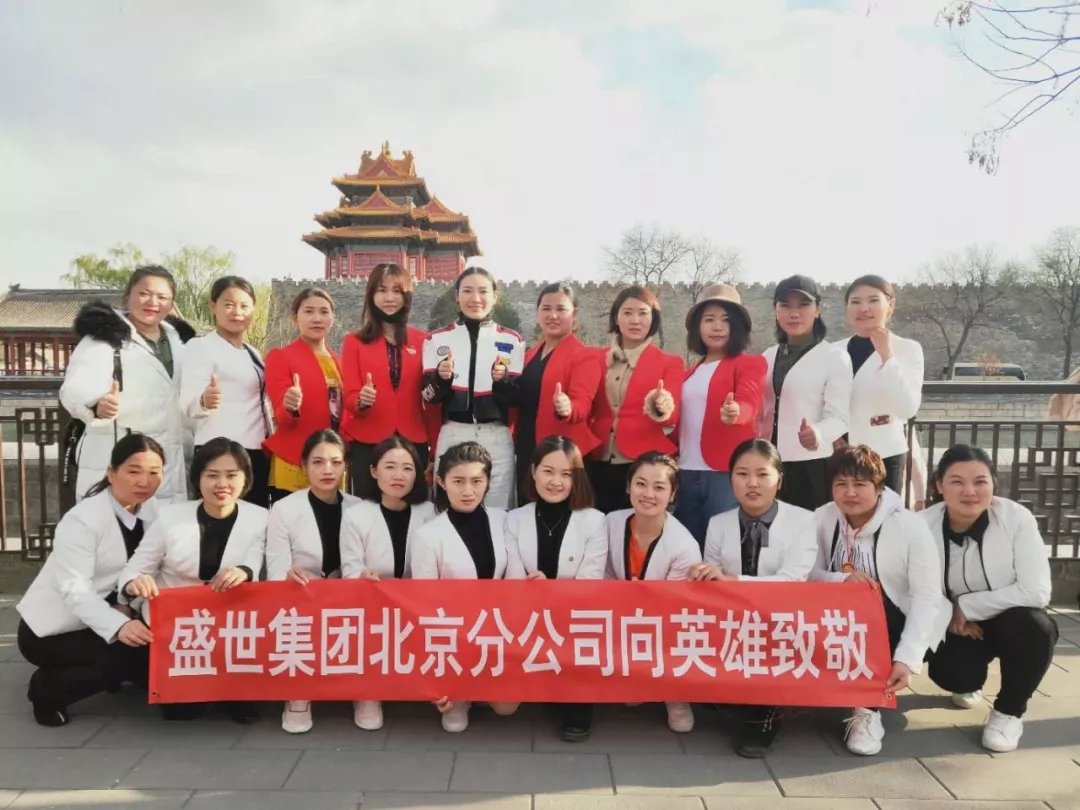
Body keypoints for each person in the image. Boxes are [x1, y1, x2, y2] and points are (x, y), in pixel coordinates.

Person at [810, 445, 951, 756]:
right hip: (841, 619)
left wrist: (907, 657)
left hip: (898, 620)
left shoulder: (908, 525)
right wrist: (841, 579)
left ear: (879, 487)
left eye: (860, 484)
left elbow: (926, 595)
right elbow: (806, 572)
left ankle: (867, 710)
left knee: (869, 603)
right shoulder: (823, 517)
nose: (850, 493)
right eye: (841, 484)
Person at [16, 434, 164, 727]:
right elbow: (75, 589)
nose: (144, 481)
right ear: (112, 473)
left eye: (154, 472)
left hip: (110, 613)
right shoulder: (82, 519)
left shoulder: (152, 510)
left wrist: (126, 606)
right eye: (134, 471)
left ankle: (115, 669)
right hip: (53, 630)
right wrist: (119, 624)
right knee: (124, 658)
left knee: (153, 656)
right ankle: (46, 691)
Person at [120, 438, 268, 723]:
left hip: (231, 624)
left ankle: (230, 692)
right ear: (198, 479)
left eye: (231, 475)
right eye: (212, 475)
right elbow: (134, 569)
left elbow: (256, 558)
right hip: (177, 624)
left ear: (246, 479)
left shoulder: (259, 517)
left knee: (241, 704)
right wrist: (134, 583)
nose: (222, 484)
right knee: (181, 713)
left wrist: (245, 571)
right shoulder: (170, 518)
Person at [922, 444, 1057, 753]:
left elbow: (1037, 591)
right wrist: (948, 615)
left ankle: (1009, 712)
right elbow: (906, 587)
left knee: (1037, 626)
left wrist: (967, 606)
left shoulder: (1016, 518)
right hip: (954, 625)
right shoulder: (920, 526)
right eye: (957, 481)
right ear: (939, 485)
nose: (970, 491)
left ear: (993, 483)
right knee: (954, 675)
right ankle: (970, 682)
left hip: (1010, 619)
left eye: (980, 481)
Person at [689, 438, 817, 757]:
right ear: (730, 478)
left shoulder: (804, 521)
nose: (752, 483)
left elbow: (792, 581)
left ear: (779, 480)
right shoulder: (718, 523)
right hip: (735, 621)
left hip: (783, 621)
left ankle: (766, 713)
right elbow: (712, 581)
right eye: (742, 474)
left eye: (762, 474)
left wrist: (732, 581)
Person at [60, 266, 196, 503]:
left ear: (172, 303)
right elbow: (75, 387)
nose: (153, 302)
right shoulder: (104, 339)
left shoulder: (180, 341)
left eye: (162, 297)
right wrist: (97, 403)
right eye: (144, 293)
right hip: (121, 453)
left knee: (166, 523)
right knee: (120, 521)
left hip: (171, 457)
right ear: (127, 296)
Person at [409, 441, 518, 732]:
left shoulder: (505, 520)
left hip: (496, 627)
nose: (468, 491)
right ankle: (460, 690)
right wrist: (436, 675)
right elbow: (424, 604)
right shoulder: (427, 536)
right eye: (458, 481)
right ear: (442, 482)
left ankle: (480, 686)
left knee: (507, 706)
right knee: (454, 724)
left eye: (476, 481)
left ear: (488, 483)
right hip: (453, 632)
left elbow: (513, 580)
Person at [505, 436, 607, 742]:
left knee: (585, 625)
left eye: (566, 474)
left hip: (575, 615)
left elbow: (589, 582)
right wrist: (532, 591)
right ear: (533, 471)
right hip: (528, 613)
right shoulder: (514, 519)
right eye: (548, 471)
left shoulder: (594, 521)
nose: (556, 482)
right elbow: (513, 578)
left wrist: (550, 591)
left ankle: (579, 699)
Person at [264, 429, 361, 734]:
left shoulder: (359, 507)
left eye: (335, 462)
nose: (327, 470)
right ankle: (298, 691)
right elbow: (276, 566)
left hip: (346, 595)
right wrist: (288, 575)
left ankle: (365, 690)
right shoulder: (284, 509)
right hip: (302, 596)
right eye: (318, 462)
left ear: (345, 465)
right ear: (303, 466)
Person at [340, 435, 436, 731]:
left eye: (407, 468)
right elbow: (350, 568)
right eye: (390, 467)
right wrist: (362, 576)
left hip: (416, 604)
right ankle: (368, 692)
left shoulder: (429, 512)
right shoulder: (356, 516)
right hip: (373, 603)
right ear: (373, 471)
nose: (399, 475)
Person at [605, 452, 701, 733]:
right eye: (640, 484)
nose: (648, 494)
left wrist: (637, 597)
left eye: (659, 487)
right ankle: (634, 676)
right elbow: (601, 575)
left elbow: (674, 605)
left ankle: (675, 694)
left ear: (672, 495)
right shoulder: (610, 523)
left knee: (677, 627)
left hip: (661, 621)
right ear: (628, 486)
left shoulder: (684, 545)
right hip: (616, 610)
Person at [422, 268, 524, 509]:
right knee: (448, 510)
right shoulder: (436, 339)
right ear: (456, 295)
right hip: (453, 432)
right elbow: (428, 397)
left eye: (483, 291)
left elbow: (518, 400)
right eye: (467, 291)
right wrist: (441, 380)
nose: (475, 298)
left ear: (494, 297)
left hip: (496, 436)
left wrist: (502, 382)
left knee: (497, 513)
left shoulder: (513, 340)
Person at [675, 283, 766, 547]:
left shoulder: (749, 363)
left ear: (737, 326)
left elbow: (749, 402)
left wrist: (736, 412)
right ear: (697, 327)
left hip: (724, 472)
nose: (717, 327)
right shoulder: (689, 373)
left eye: (725, 320)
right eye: (709, 320)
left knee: (723, 547)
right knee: (687, 546)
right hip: (686, 470)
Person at [758, 275, 852, 511]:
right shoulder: (767, 356)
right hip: (767, 464)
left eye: (803, 304)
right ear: (775, 310)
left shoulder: (835, 357)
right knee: (771, 529)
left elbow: (840, 418)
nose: (794, 313)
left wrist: (818, 433)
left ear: (817, 309)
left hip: (811, 465)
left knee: (811, 530)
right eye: (785, 305)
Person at [588, 286, 684, 514]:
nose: (635, 320)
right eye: (627, 312)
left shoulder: (670, 363)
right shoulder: (594, 358)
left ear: (653, 318)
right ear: (616, 317)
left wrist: (661, 405)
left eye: (643, 313)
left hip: (643, 466)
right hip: (597, 460)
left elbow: (671, 414)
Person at [180, 276, 272, 507]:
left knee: (254, 520)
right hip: (219, 452)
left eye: (244, 306)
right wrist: (205, 400)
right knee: (217, 520)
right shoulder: (200, 347)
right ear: (213, 306)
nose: (237, 312)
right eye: (229, 305)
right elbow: (188, 401)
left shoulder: (252, 352)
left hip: (255, 452)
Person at [507, 283, 602, 505]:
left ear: (574, 314)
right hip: (528, 449)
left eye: (561, 309)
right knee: (528, 514)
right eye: (546, 308)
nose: (553, 315)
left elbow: (582, 404)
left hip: (563, 455)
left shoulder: (585, 356)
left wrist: (567, 408)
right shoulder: (528, 354)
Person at [341, 263, 432, 491]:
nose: (389, 298)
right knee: (367, 507)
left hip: (413, 440)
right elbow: (349, 397)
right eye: (382, 290)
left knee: (414, 506)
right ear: (371, 295)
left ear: (406, 296)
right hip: (368, 442)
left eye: (397, 291)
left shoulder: (424, 340)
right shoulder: (354, 342)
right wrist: (362, 400)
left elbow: (431, 399)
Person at [837, 276, 924, 493]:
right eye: (855, 302)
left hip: (884, 453)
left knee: (883, 512)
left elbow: (907, 408)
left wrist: (887, 356)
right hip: (839, 454)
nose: (863, 308)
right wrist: (833, 435)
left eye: (873, 300)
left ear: (890, 306)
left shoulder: (907, 349)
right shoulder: (834, 351)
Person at [263, 288, 346, 502]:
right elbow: (282, 416)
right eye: (309, 311)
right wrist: (289, 405)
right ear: (295, 318)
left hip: (331, 463)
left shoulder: (340, 362)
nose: (317, 318)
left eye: (324, 312)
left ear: (332, 318)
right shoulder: (281, 357)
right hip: (294, 461)